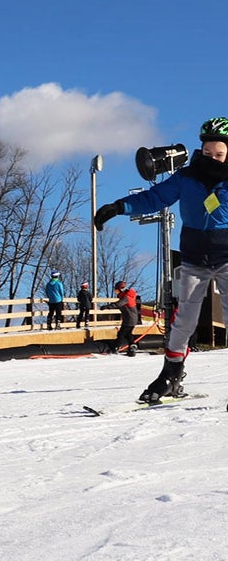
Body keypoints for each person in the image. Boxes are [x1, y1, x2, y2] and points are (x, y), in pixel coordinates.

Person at [94, 117, 228, 400]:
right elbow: (154, 198)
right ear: (200, 150)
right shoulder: (187, 177)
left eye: (219, 154)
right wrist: (119, 206)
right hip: (194, 258)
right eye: (207, 153)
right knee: (184, 321)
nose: (212, 158)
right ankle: (170, 376)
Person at [100, 281, 138, 355]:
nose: (117, 293)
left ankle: (116, 348)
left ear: (122, 289)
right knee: (128, 333)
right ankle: (132, 346)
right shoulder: (126, 296)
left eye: (117, 291)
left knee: (121, 334)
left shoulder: (126, 298)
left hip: (130, 319)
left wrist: (107, 307)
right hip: (130, 319)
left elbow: (118, 304)